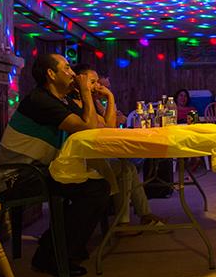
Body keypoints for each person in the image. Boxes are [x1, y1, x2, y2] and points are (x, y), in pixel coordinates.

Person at [0, 54, 110, 277]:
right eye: (67, 68)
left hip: (36, 170)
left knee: (96, 184)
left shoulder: (61, 100)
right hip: (17, 177)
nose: (73, 74)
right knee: (94, 189)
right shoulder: (40, 100)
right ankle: (51, 256)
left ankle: (58, 248)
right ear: (51, 74)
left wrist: (91, 96)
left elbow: (94, 126)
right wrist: (85, 91)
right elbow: (87, 128)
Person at [71, 64, 166, 229]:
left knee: (128, 165)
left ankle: (143, 214)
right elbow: (105, 129)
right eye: (93, 82)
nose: (97, 87)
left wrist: (110, 97)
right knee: (125, 167)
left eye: (98, 83)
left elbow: (108, 128)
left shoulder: (90, 102)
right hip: (82, 159)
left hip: (97, 153)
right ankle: (124, 223)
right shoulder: (77, 103)